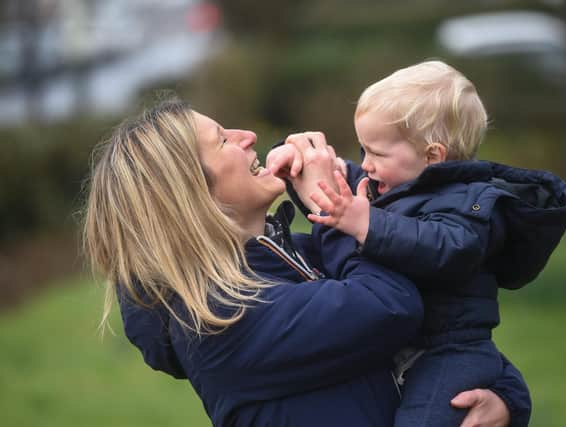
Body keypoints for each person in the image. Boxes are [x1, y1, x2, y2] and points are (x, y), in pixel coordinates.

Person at [83, 98, 531, 427]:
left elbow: (447, 320)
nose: (248, 137)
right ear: (191, 194)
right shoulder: (219, 319)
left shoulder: (293, 254)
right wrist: (333, 206)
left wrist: (508, 399)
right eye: (223, 141)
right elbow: (391, 306)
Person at [267, 60, 566, 427]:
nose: (365, 165)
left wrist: (367, 222)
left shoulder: (470, 202)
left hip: (449, 351)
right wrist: (295, 161)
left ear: (432, 156)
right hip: (406, 344)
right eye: (363, 150)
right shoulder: (394, 183)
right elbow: (338, 189)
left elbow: (447, 248)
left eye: (376, 154)